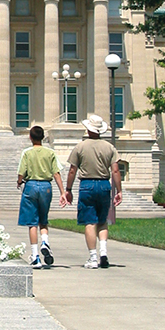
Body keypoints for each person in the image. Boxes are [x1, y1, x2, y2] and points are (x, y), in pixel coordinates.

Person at [64, 113, 123, 269]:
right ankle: (103, 252)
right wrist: (119, 191)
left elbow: (72, 170)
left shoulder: (80, 147)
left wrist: (68, 189)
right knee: (102, 220)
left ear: (88, 129)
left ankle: (93, 258)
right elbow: (115, 171)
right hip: (104, 184)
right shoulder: (109, 147)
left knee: (90, 222)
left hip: (87, 184)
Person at [17, 126, 67, 268]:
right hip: (46, 186)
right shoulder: (50, 153)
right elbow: (56, 173)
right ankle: (45, 242)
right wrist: (62, 192)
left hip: (31, 185)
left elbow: (22, 171)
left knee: (32, 222)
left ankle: (35, 256)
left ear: (30, 137)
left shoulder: (26, 153)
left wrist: (19, 181)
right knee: (43, 219)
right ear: (43, 137)